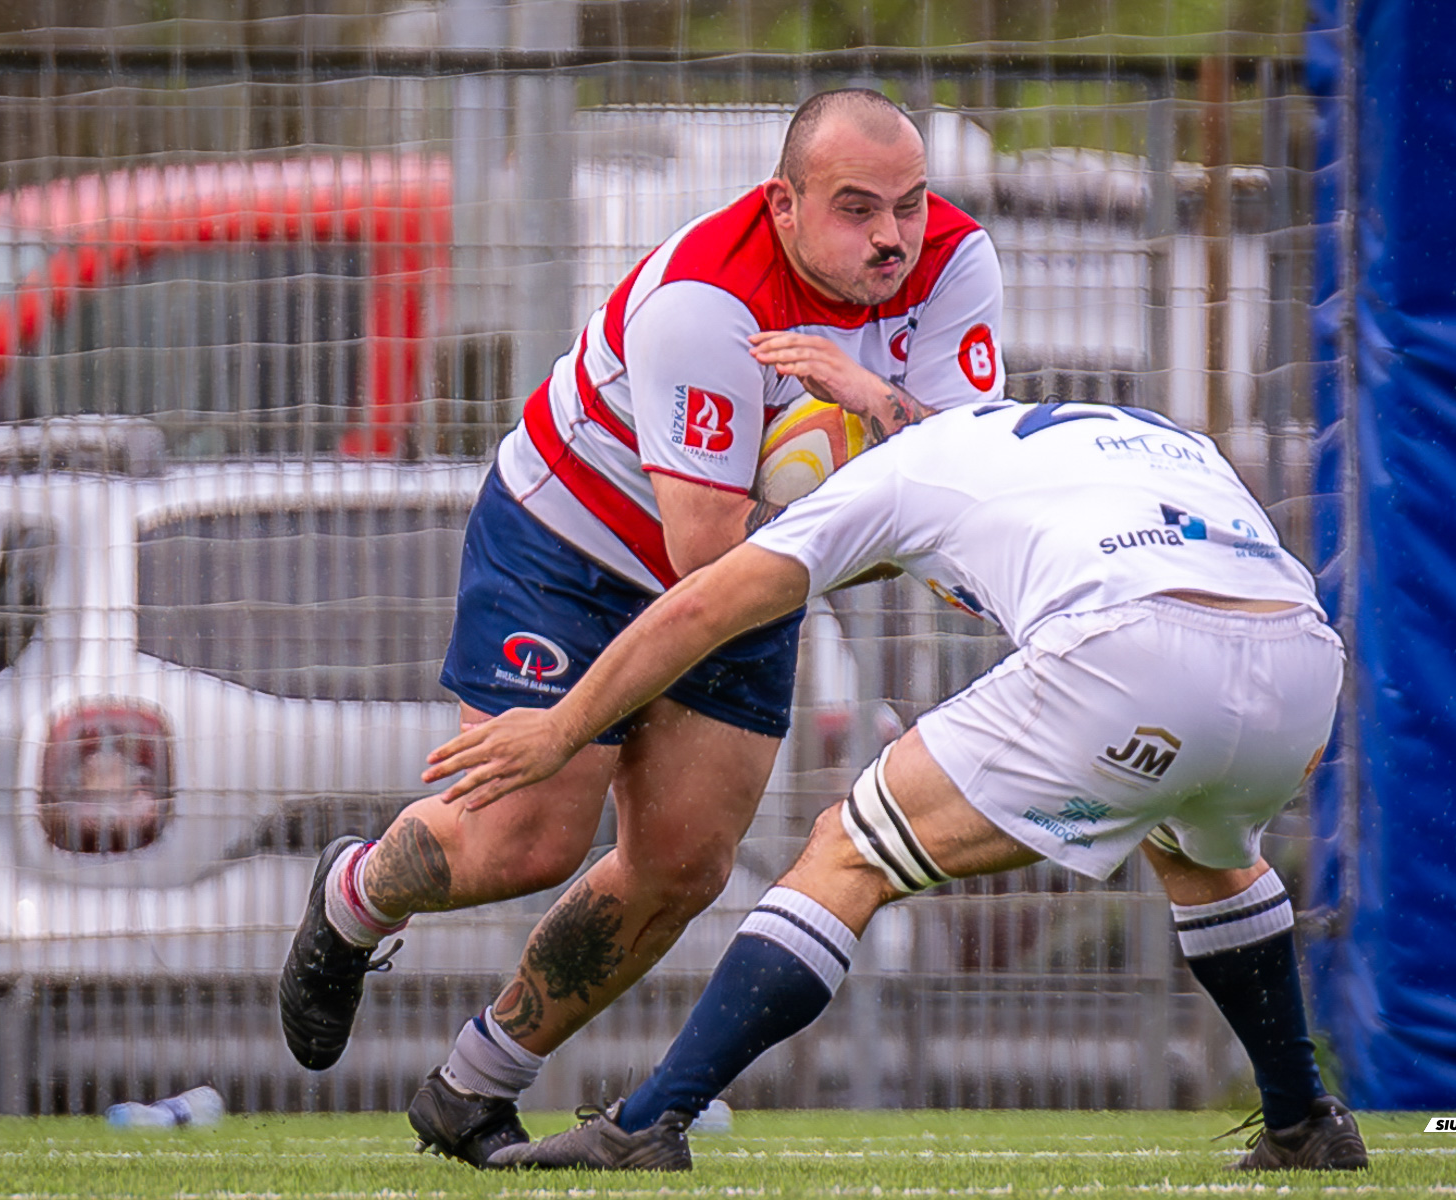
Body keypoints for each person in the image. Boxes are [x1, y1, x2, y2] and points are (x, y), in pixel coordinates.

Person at [275, 88, 1007, 1167]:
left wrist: (875, 402)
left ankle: (472, 1088)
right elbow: (703, 554)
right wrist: (890, 498)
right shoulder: (707, 300)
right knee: (526, 841)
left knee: (683, 864)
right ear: (785, 205)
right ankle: (354, 897)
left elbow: (980, 472)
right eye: (857, 209)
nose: (893, 237)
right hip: (574, 546)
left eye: (908, 204)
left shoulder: (956, 262)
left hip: (772, 557)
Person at [424, 396, 1369, 1174]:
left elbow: (706, 602)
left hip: (1137, 647)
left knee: (849, 851)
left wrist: (561, 726)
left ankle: (647, 1123)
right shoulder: (1129, 431)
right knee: (1204, 856)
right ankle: (1301, 1119)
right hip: (1299, 660)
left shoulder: (891, 470)